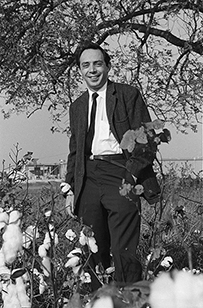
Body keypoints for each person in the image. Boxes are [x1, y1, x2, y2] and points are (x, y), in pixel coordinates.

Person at [63, 42, 158, 291]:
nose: (92, 70)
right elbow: (76, 150)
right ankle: (101, 300)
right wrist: (70, 188)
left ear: (107, 66)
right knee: (93, 247)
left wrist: (132, 173)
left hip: (121, 173)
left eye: (97, 64)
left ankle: (131, 300)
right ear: (80, 70)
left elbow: (146, 141)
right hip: (89, 177)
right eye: (86, 65)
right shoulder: (77, 106)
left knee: (123, 248)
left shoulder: (128, 95)